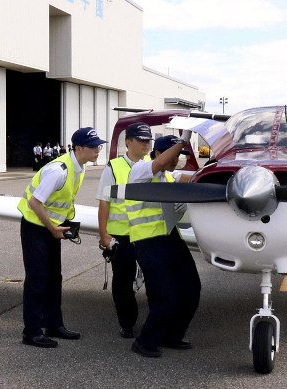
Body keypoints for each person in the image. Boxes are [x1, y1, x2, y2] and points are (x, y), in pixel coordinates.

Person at [17, 127, 107, 348]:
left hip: (52, 228)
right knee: (37, 279)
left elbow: (62, 202)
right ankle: (32, 332)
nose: (98, 150)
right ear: (78, 148)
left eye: (98, 146)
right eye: (93, 147)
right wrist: (52, 227)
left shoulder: (80, 167)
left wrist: (64, 226)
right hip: (36, 227)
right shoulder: (59, 170)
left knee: (54, 278)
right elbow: (34, 203)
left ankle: (54, 325)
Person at [127, 132, 201, 358]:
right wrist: (182, 140)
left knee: (191, 289)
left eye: (181, 155)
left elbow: (197, 176)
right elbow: (159, 164)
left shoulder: (170, 176)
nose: (178, 159)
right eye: (176, 154)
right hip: (148, 240)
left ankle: (172, 336)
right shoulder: (140, 170)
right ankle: (145, 342)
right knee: (166, 296)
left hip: (170, 237)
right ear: (158, 153)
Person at [96, 122, 153, 339]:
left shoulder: (152, 165)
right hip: (122, 235)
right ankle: (127, 323)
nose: (146, 144)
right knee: (123, 282)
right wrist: (104, 235)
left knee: (154, 279)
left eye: (148, 141)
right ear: (128, 142)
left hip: (147, 234)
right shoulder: (114, 168)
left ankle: (154, 323)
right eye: (141, 140)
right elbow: (104, 202)